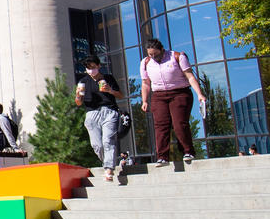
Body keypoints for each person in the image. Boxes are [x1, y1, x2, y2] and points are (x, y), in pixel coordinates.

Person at [139, 38, 208, 166]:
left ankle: (188, 152)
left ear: (162, 49)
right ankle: (162, 157)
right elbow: (145, 83)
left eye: (156, 54)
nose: (153, 57)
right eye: (150, 54)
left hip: (180, 93)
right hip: (158, 96)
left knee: (179, 123)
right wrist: (144, 100)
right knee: (161, 126)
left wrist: (199, 94)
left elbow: (190, 77)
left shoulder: (177, 57)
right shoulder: (146, 62)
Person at [75, 55, 126, 183]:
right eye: (88, 68)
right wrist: (78, 97)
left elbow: (120, 95)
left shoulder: (107, 78)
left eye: (93, 67)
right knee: (97, 145)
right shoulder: (83, 82)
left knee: (108, 140)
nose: (91, 70)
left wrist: (110, 90)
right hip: (92, 113)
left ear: (98, 66)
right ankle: (110, 161)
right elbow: (78, 103)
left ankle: (109, 169)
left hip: (109, 111)